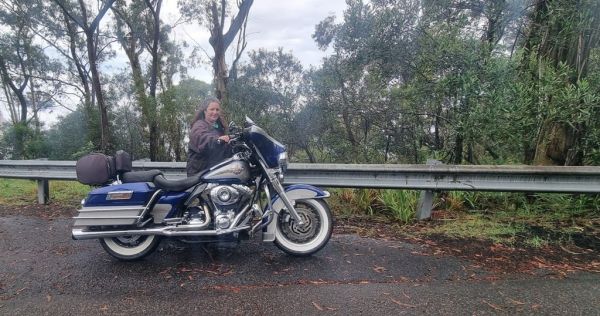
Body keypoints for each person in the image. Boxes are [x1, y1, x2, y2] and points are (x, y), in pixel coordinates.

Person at [186, 97, 232, 176]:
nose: (215, 112)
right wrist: (217, 139)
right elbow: (204, 139)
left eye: (217, 110)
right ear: (205, 111)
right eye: (212, 109)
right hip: (199, 174)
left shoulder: (219, 127)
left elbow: (222, 148)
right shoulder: (199, 126)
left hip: (213, 171)